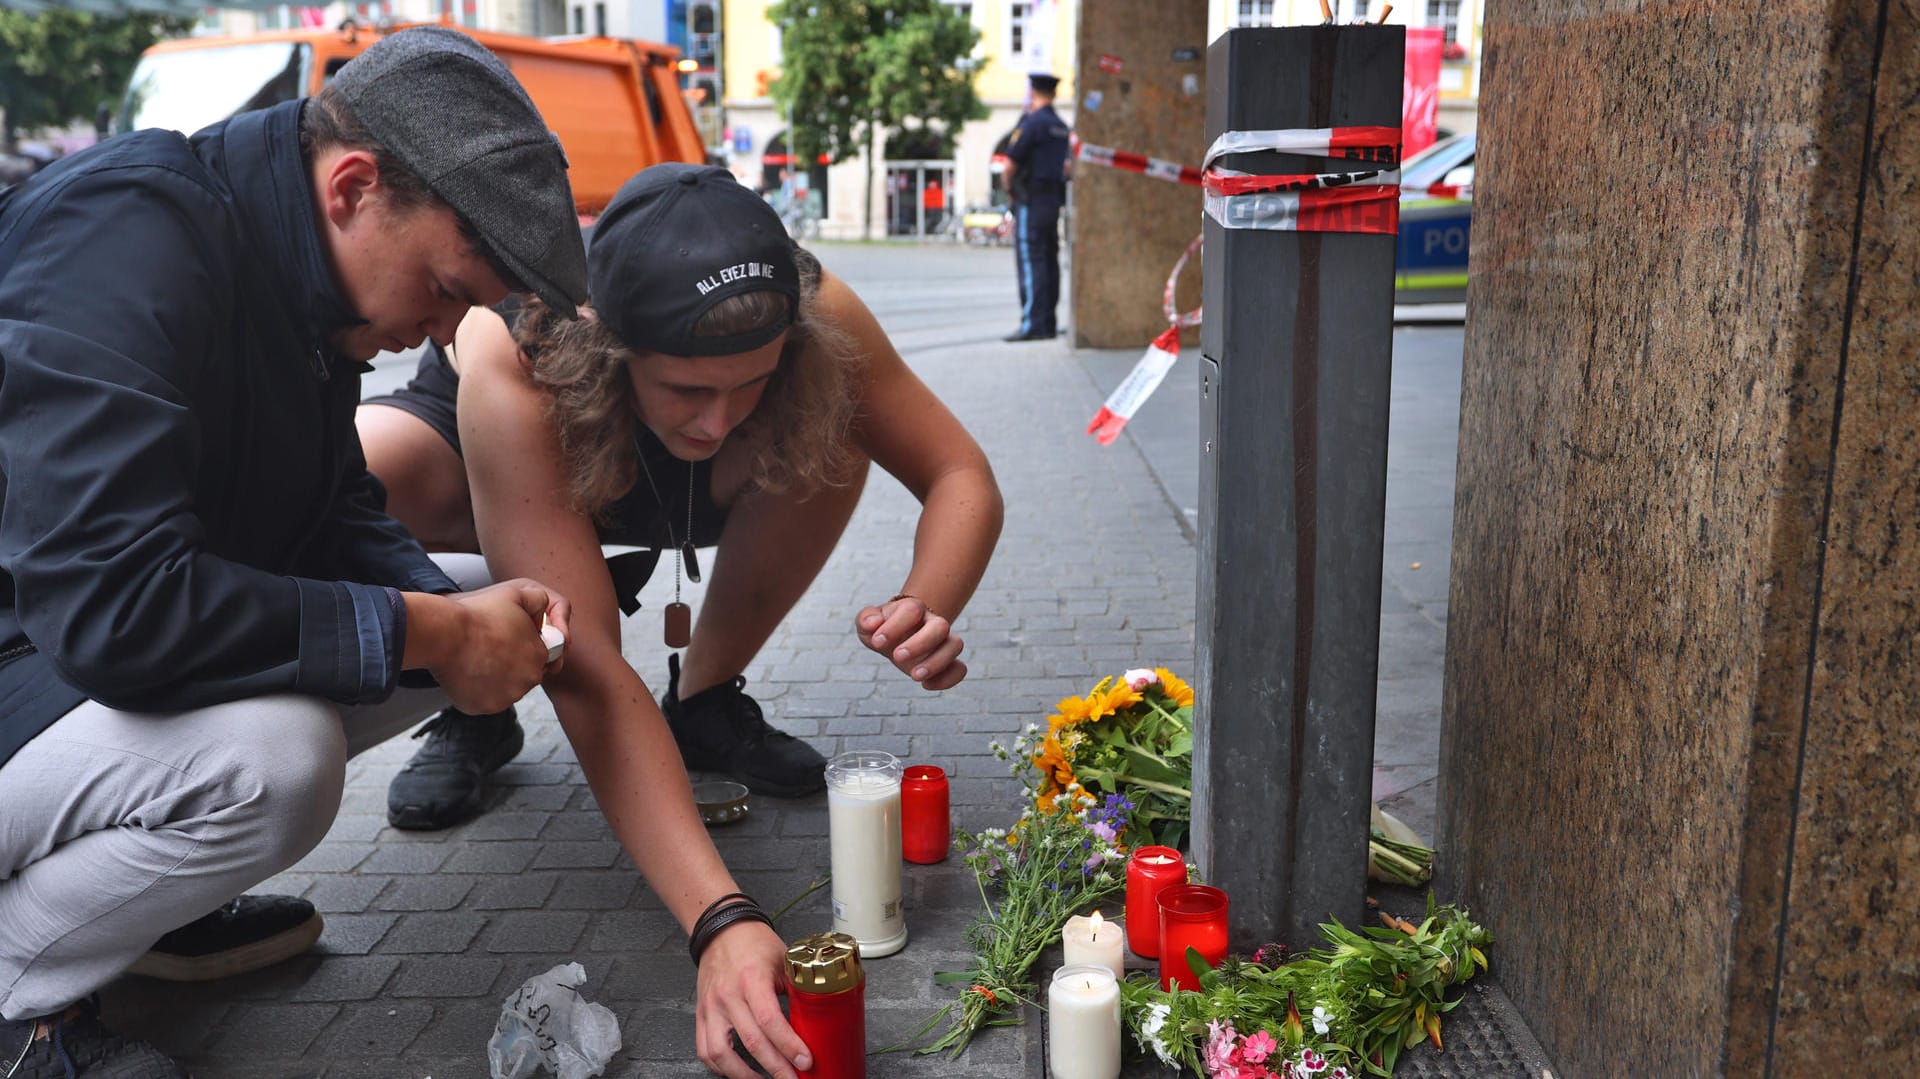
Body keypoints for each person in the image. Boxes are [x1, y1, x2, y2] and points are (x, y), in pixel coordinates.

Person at [0, 27, 582, 1077]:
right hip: (40, 650)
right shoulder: (127, 234)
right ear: (353, 186)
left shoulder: (297, 276)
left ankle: (137, 916)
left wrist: (455, 621)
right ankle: (21, 1003)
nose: (448, 331)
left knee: (463, 600)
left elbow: (330, 517)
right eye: (449, 286)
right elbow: (114, 607)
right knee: (278, 762)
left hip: (53, 664)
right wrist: (429, 629)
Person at [354, 162, 1003, 1076]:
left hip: (687, 484)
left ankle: (702, 698)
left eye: (751, 384)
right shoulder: (521, 342)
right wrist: (721, 915)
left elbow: (960, 474)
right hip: (499, 455)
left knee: (836, 428)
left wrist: (928, 600)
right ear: (609, 349)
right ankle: (475, 702)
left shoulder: (816, 312)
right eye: (689, 389)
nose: (718, 419)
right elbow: (589, 673)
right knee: (362, 477)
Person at [1004, 72, 1072, 342]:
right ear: (1054, 94)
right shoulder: (1061, 126)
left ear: (1032, 92)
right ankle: (1048, 322)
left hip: (1030, 201)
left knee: (1031, 262)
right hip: (1052, 200)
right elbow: (1068, 166)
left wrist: (1010, 192)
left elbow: (1009, 165)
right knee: (1049, 260)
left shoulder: (1031, 124)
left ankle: (1033, 324)